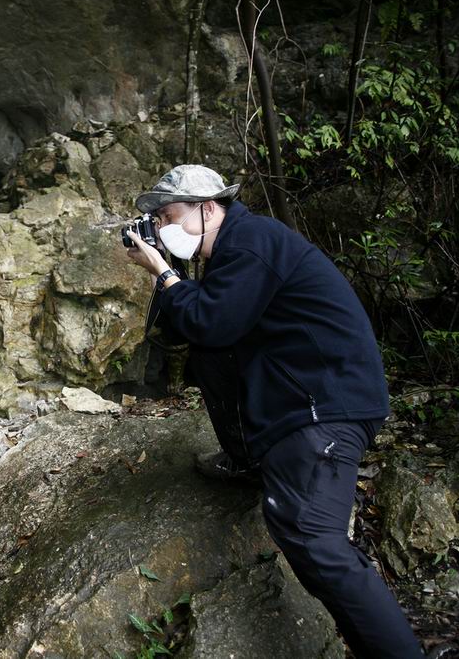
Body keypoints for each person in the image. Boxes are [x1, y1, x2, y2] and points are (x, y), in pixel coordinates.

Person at [124, 164, 423, 659]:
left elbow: (212, 323)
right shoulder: (230, 251)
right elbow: (188, 330)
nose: (160, 226)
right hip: (303, 405)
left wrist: (163, 270)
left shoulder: (251, 243)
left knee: (315, 540)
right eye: (154, 219)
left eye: (166, 214)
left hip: (325, 406)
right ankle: (248, 460)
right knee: (209, 352)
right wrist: (169, 276)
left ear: (208, 207)